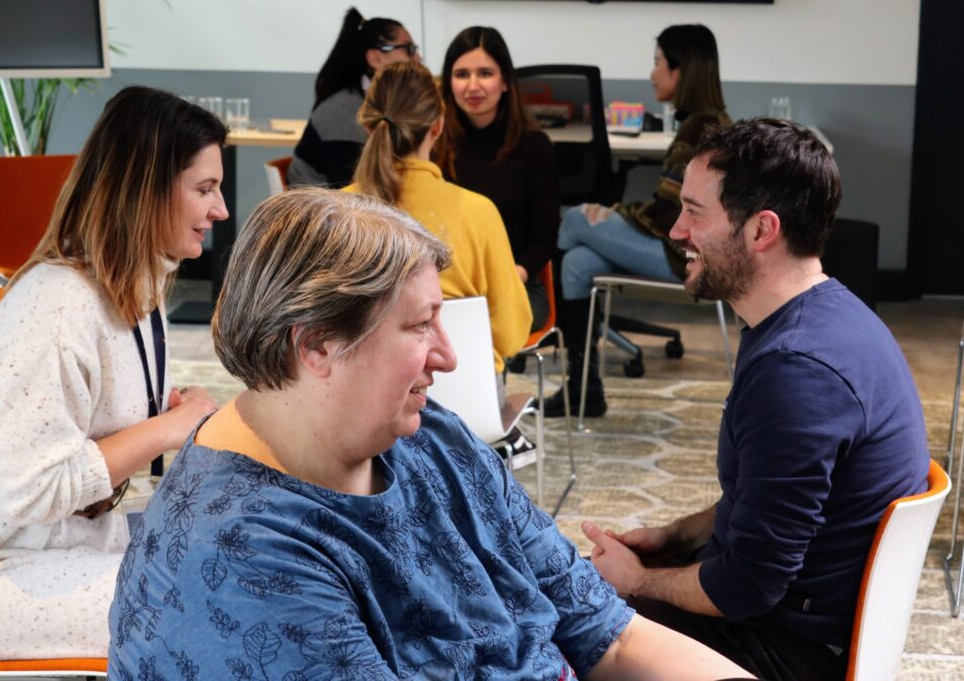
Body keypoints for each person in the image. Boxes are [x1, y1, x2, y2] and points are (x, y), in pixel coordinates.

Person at [107, 188, 751, 680]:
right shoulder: (245, 553)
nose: (448, 357)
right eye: (420, 327)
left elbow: (607, 633)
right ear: (318, 345)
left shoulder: (425, 437)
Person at [581, 119, 930, 681]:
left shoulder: (797, 372)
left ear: (761, 230)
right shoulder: (830, 318)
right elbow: (784, 505)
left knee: (553, 622)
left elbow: (744, 589)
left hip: (784, 653)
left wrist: (639, 581)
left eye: (695, 213)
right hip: (792, 627)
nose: (675, 231)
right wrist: (677, 537)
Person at [0, 86, 225, 659]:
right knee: (209, 611)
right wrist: (168, 430)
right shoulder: (58, 305)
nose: (220, 210)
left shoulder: (137, 286)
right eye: (204, 189)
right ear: (146, 194)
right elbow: (30, 493)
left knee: (235, 552)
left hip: (64, 540)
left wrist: (162, 410)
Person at [547, 24, 730, 418]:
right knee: (578, 263)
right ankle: (584, 388)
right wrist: (619, 214)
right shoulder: (706, 121)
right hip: (681, 250)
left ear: (680, 71)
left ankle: (546, 316)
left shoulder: (702, 128)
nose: (652, 74)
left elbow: (667, 215)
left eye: (657, 63)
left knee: (575, 219)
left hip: (682, 256)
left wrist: (617, 212)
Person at [347, 60, 531, 381]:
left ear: (367, 126)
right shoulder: (478, 211)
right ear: (438, 125)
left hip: (357, 415)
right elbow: (511, 336)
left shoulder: (334, 212)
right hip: (464, 409)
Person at [433, 25, 560, 334]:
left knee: (473, 328)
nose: (473, 86)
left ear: (505, 82)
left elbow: (543, 241)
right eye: (462, 74)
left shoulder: (534, 146)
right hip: (445, 288)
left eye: (485, 73)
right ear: (448, 83)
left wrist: (512, 276)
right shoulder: (434, 143)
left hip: (515, 286)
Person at [289, 6, 422, 187]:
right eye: (409, 49)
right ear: (375, 59)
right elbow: (349, 192)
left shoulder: (377, 103)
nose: (418, 58)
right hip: (319, 210)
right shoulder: (345, 110)